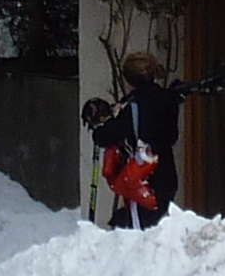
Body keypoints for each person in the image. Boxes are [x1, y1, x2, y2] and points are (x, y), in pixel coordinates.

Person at [88, 50, 212, 230]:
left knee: (140, 233)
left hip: (144, 179)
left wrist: (98, 128)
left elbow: (106, 136)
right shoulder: (166, 98)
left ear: (129, 79)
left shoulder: (133, 107)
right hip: (167, 174)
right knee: (157, 230)